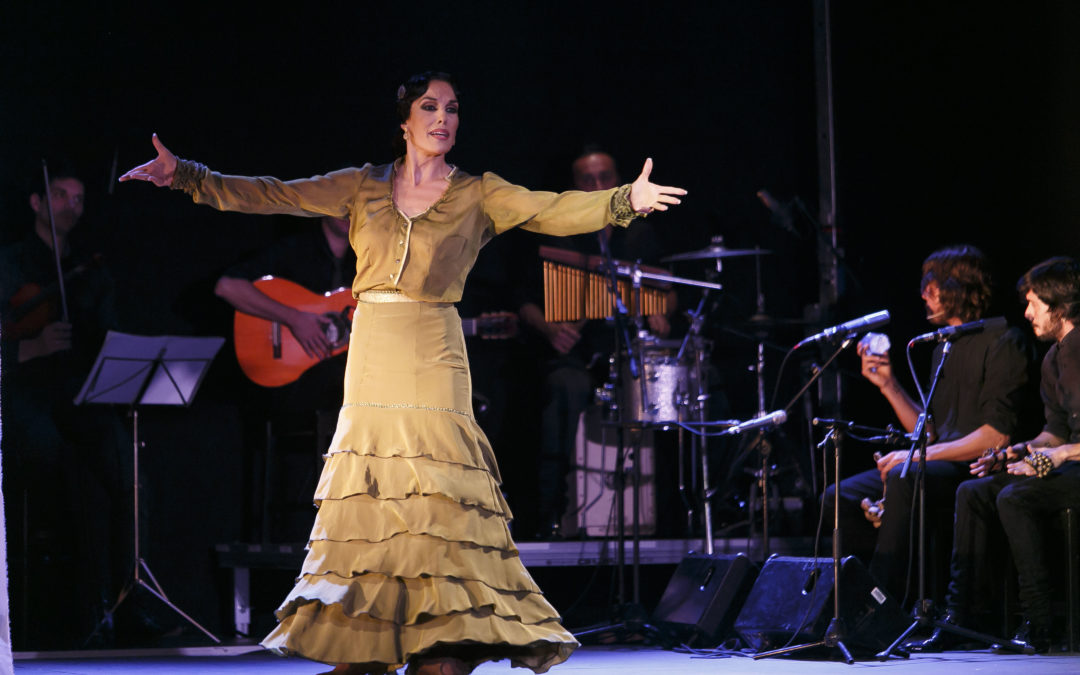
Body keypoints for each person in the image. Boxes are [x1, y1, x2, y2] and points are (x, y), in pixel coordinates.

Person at [119, 71, 686, 675]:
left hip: (436, 352)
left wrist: (624, 200)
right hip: (372, 358)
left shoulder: (477, 192)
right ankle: (371, 635)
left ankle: (446, 636)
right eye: (430, 106)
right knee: (374, 497)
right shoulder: (362, 186)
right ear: (405, 121)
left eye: (453, 109)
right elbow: (273, 193)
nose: (443, 118)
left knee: (438, 498)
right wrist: (185, 175)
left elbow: (549, 210)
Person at [822, 245, 1033, 602]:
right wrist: (887, 384)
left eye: (931, 285)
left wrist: (917, 458)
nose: (923, 294)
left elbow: (995, 435)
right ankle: (845, 603)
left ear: (958, 286)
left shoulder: (1004, 340)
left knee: (907, 477)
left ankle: (880, 607)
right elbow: (930, 431)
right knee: (839, 495)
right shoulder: (943, 346)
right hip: (940, 462)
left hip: (978, 468)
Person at [911, 257, 1080, 654]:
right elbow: (1054, 433)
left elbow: (1064, 447)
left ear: (1057, 305)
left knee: (1014, 497)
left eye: (1033, 303)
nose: (1026, 313)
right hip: (1069, 463)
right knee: (974, 490)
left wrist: (1061, 456)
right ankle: (961, 616)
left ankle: (1039, 620)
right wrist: (1013, 452)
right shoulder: (1055, 358)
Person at [0, 163, 129, 647]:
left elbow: (109, 333)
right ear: (36, 203)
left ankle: (123, 600)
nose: (70, 206)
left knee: (125, 464)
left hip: (82, 392)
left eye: (78, 198)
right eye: (59, 195)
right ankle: (54, 607)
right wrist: (28, 349)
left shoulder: (91, 269)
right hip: (25, 393)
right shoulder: (11, 263)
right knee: (48, 458)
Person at [517, 147, 673, 538]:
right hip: (573, 354)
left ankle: (668, 516)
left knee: (668, 392)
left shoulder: (638, 232)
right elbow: (522, 301)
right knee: (564, 390)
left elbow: (669, 289)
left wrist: (661, 309)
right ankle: (551, 517)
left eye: (606, 177)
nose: (599, 186)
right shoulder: (559, 229)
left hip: (624, 350)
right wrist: (551, 330)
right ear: (575, 186)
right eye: (589, 180)